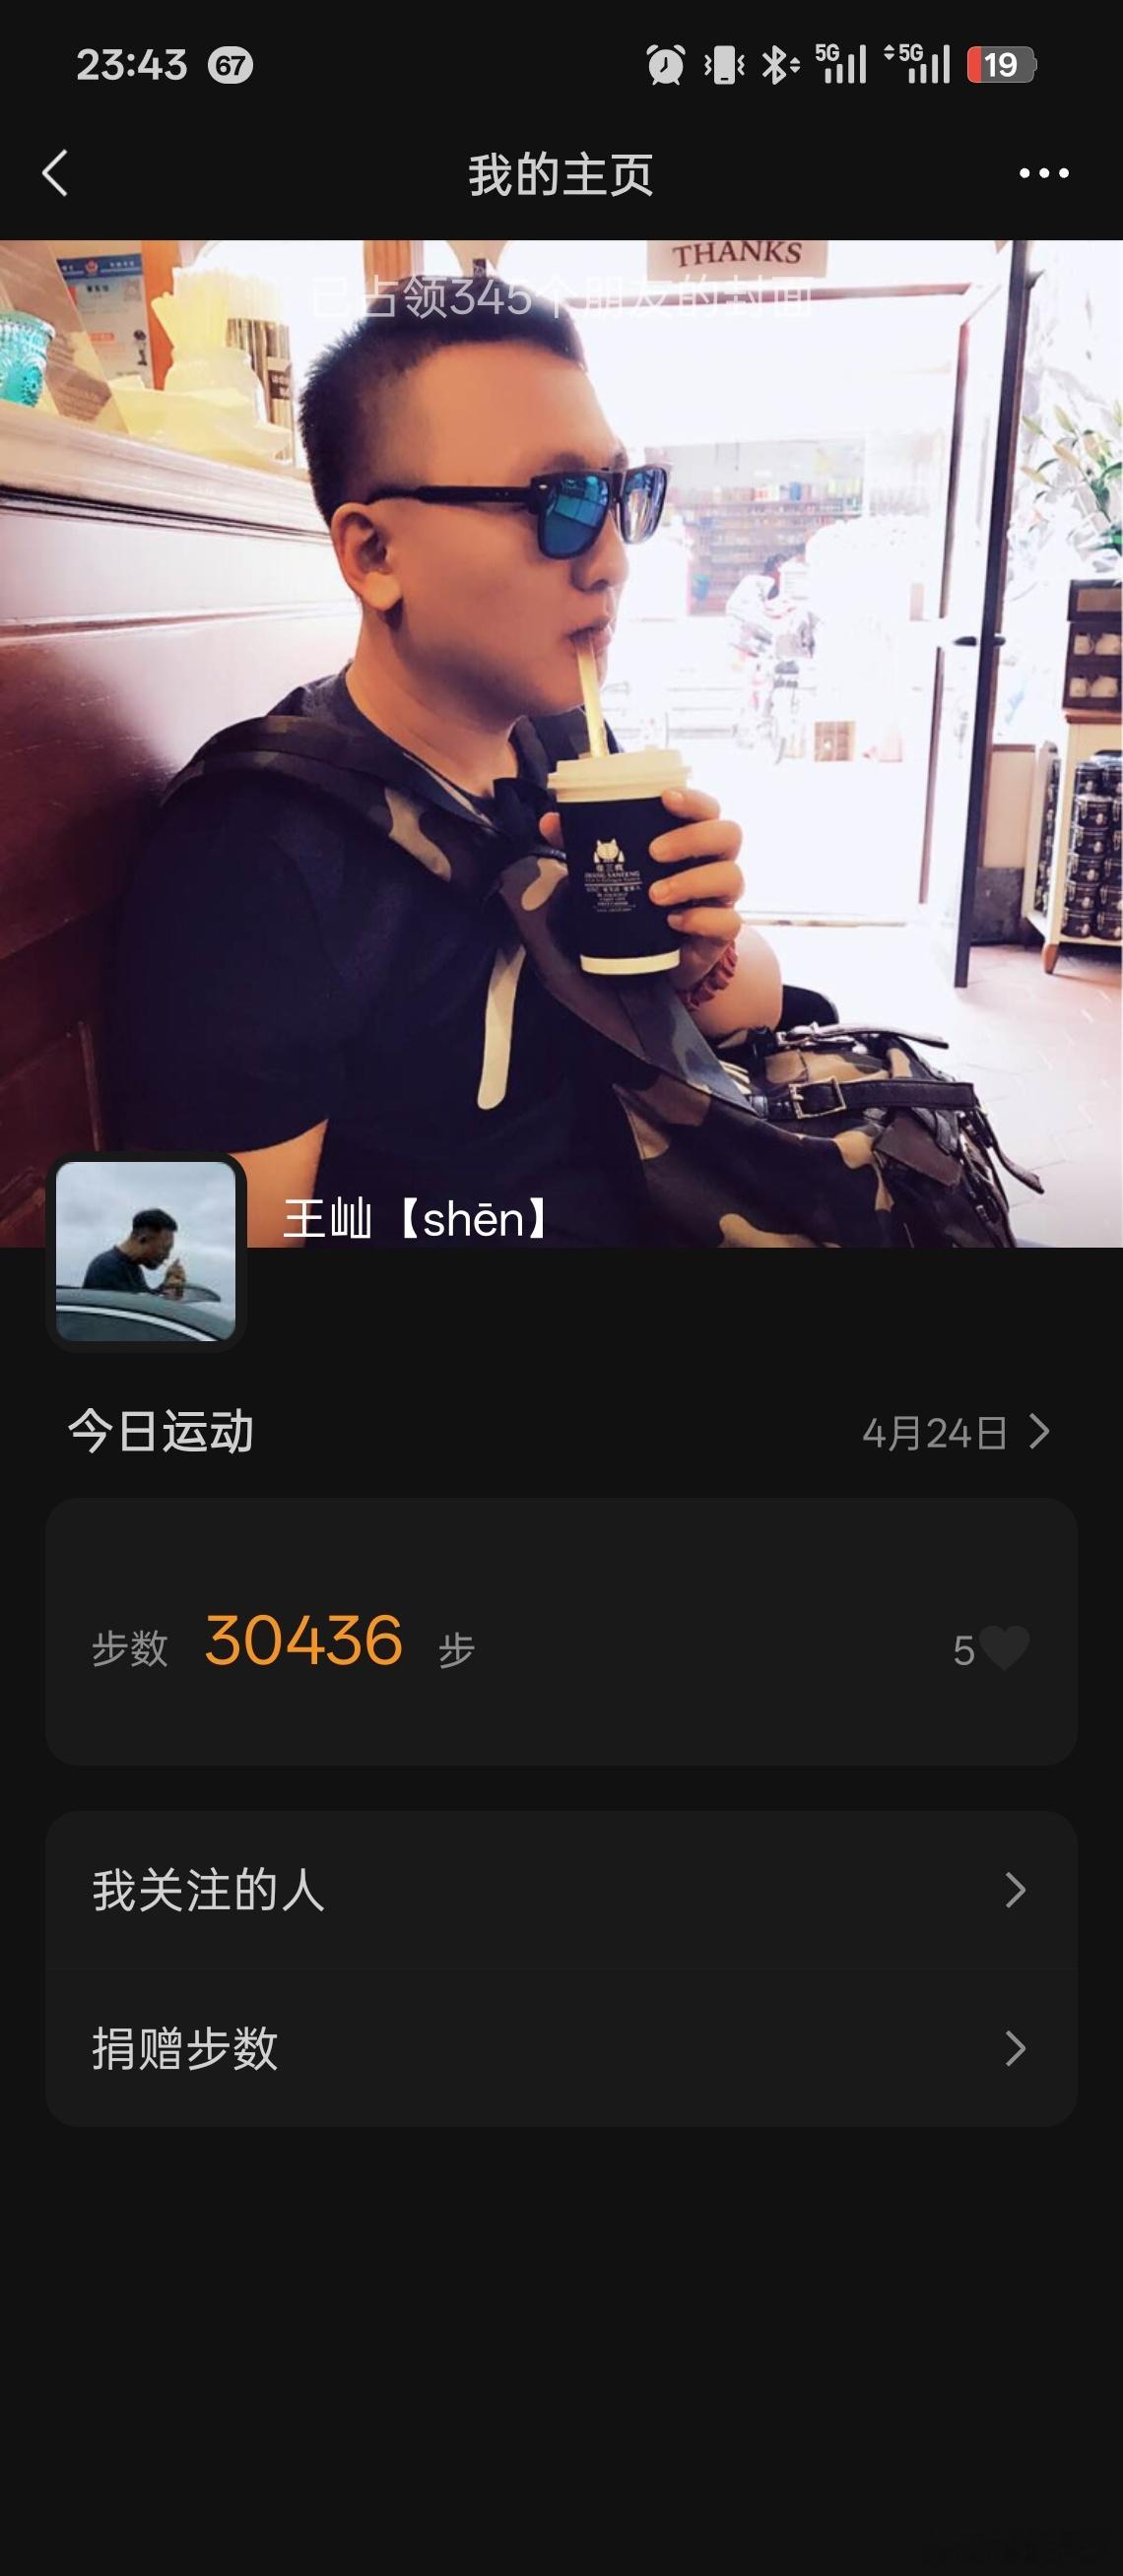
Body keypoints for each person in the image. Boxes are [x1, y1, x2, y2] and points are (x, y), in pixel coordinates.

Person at [115, 277, 783, 1247]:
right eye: (559, 501)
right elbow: (179, 1287)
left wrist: (696, 955)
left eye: (619, 494)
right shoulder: (252, 862)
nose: (612, 562)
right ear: (374, 554)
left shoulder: (567, 746)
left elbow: (754, 1000)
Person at [82, 1208, 185, 1298]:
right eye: (165, 1249)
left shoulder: (132, 1267)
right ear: (143, 1239)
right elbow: (134, 1310)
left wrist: (166, 1285)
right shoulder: (107, 1267)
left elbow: (144, 1299)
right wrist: (167, 1292)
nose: (167, 1256)